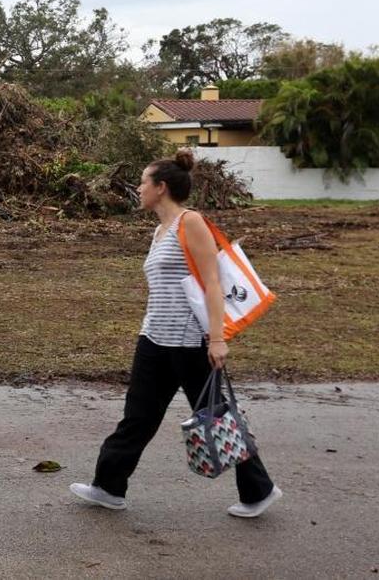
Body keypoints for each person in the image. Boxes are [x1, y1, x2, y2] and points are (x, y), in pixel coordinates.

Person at [69, 149, 282, 518]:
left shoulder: (191, 222)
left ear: (161, 187)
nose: (138, 188)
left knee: (217, 417)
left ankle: (259, 491)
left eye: (142, 182)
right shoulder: (159, 230)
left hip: (189, 343)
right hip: (153, 339)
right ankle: (108, 487)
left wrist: (217, 339)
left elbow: (212, 284)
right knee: (138, 417)